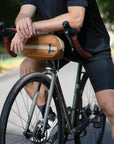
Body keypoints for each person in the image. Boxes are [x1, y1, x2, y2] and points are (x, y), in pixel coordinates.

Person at [11, 0, 114, 141]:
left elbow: (76, 19)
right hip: (59, 46)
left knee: (110, 108)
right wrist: (23, 23)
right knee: (27, 67)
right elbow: (24, 12)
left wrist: (32, 27)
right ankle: (52, 120)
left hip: (93, 48)